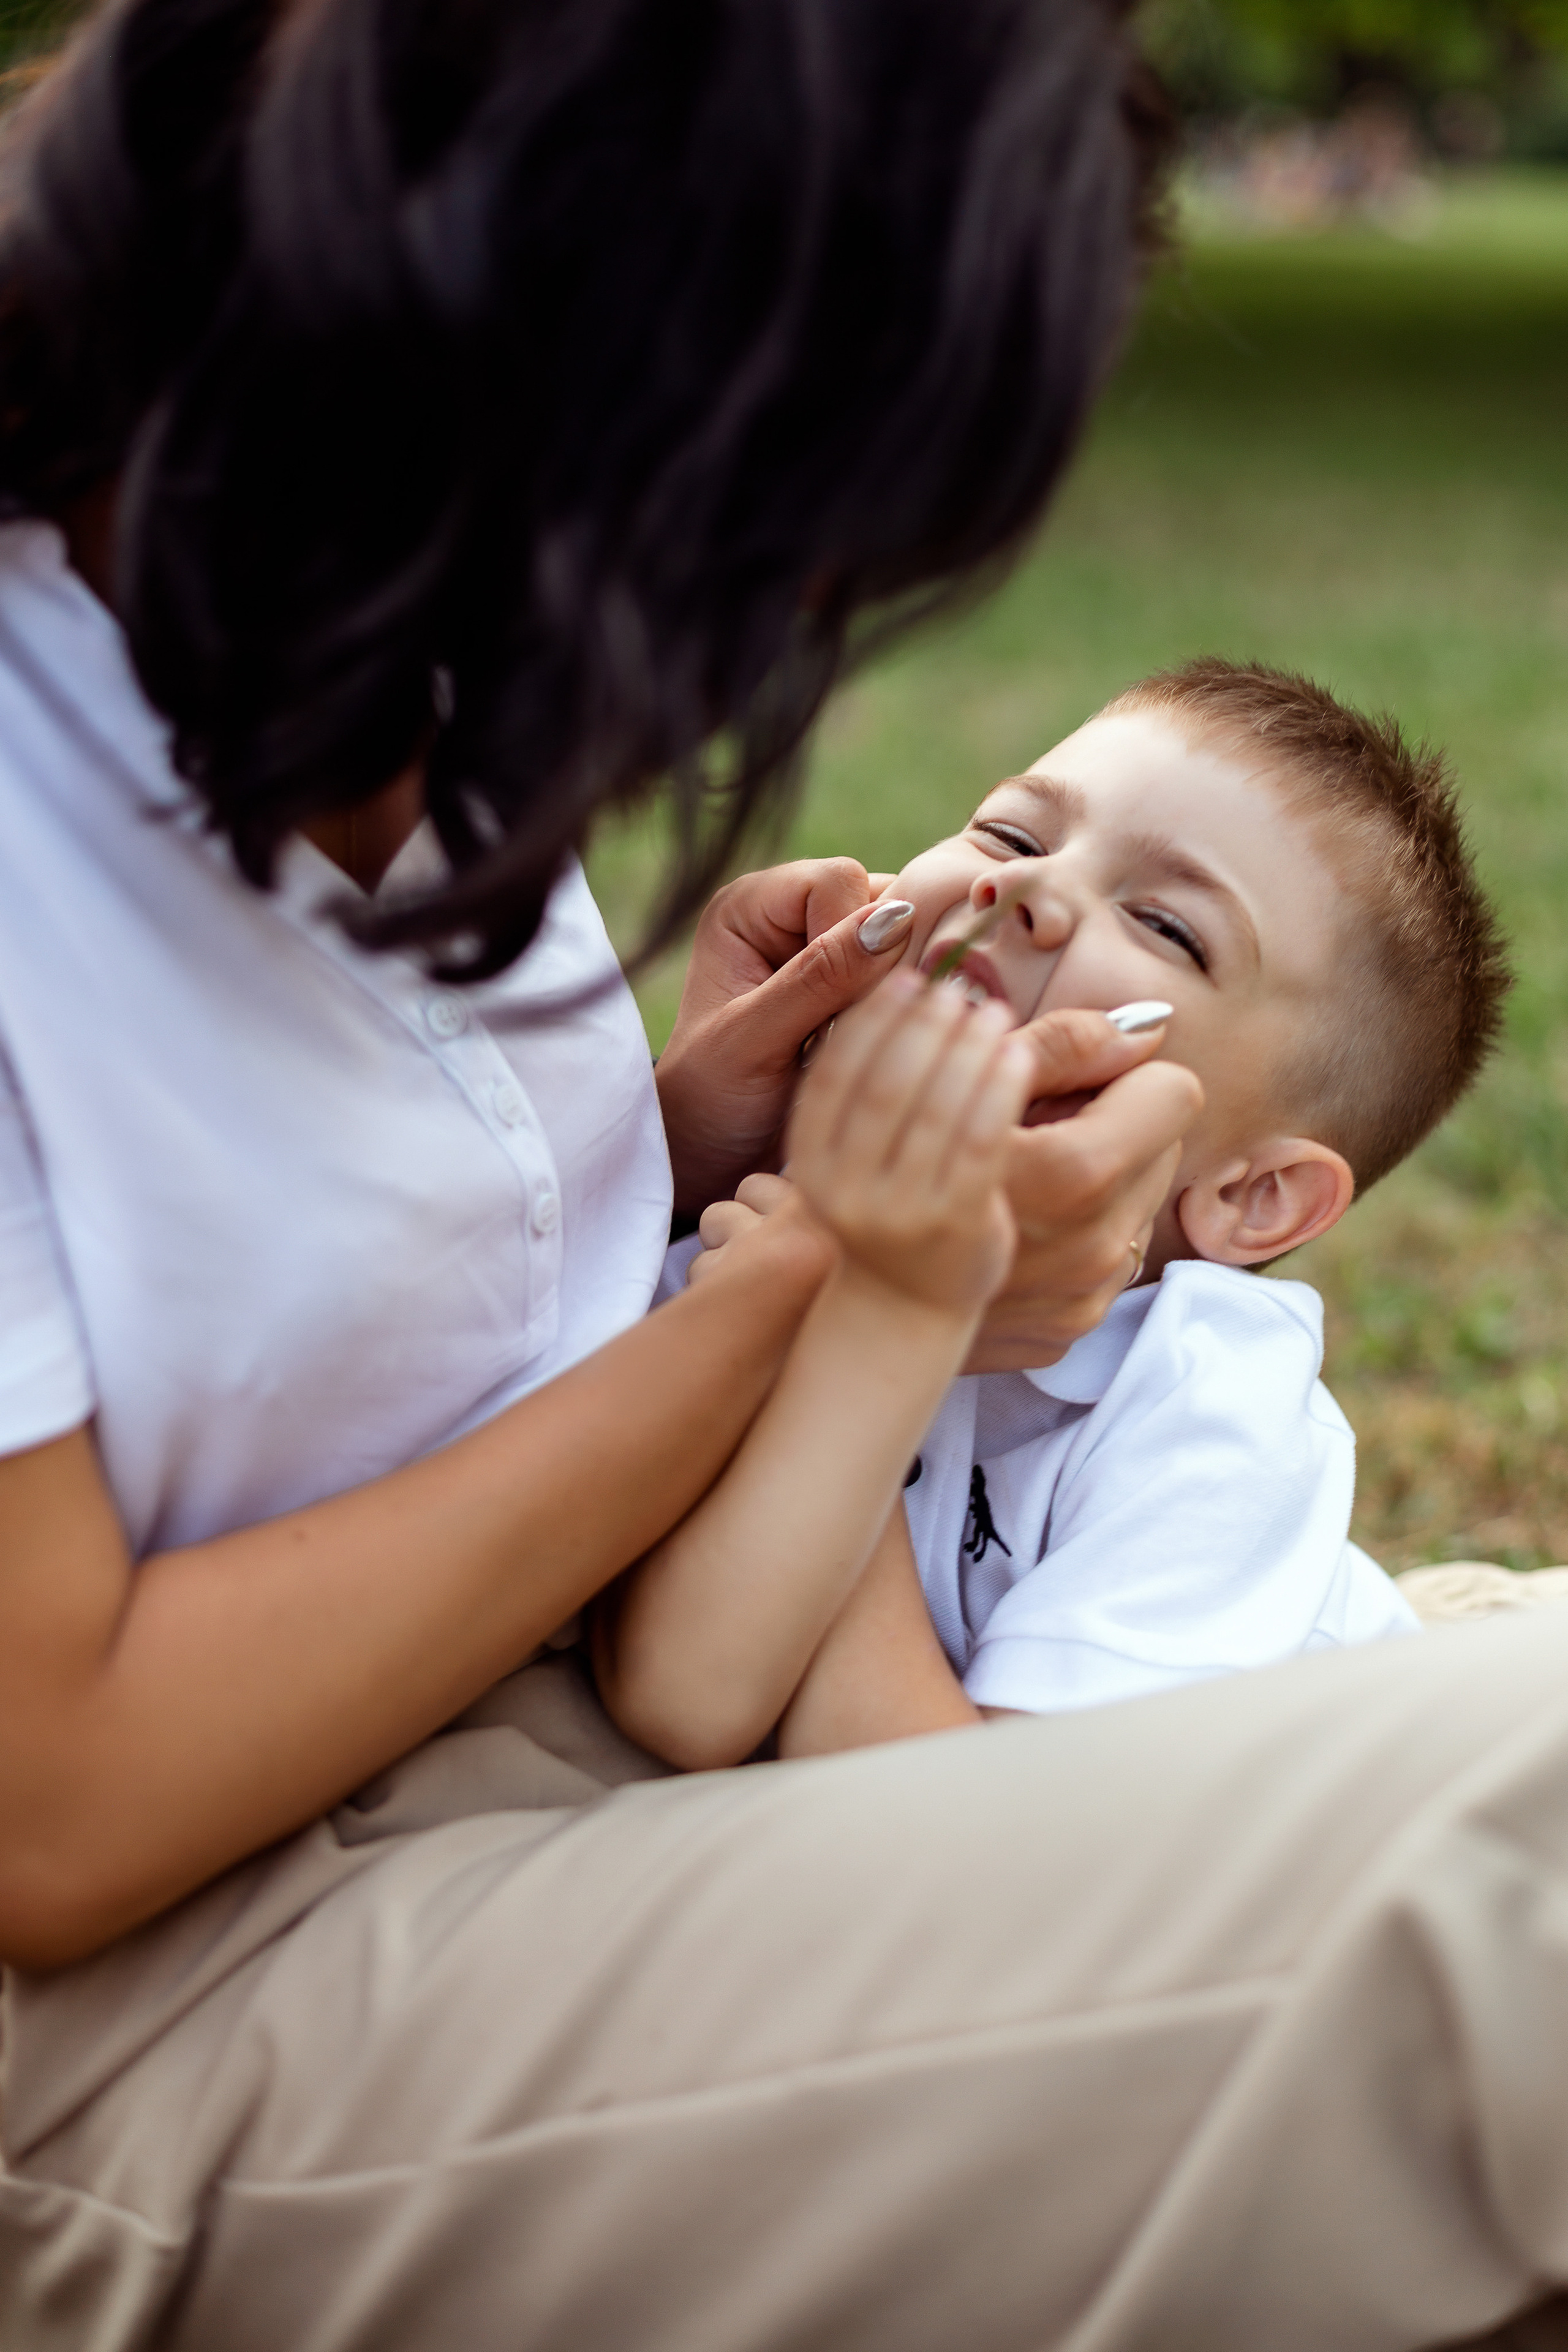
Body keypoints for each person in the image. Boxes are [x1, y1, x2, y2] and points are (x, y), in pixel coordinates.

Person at [0, 7, 1565, 2352]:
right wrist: (836, 1283)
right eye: (805, 513)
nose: (798, 619)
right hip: (198, 1975)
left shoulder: (360, 631)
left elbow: (261, 1261)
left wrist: (689, 1138)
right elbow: (58, 1808)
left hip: (573, 1767)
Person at [596, 659, 1507, 1765]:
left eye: (1168, 927)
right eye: (1011, 835)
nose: (1024, 889)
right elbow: (679, 1691)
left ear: (1254, 1196)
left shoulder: (1206, 1408)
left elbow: (971, 1824)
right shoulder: (749, 1225)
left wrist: (839, 1350)